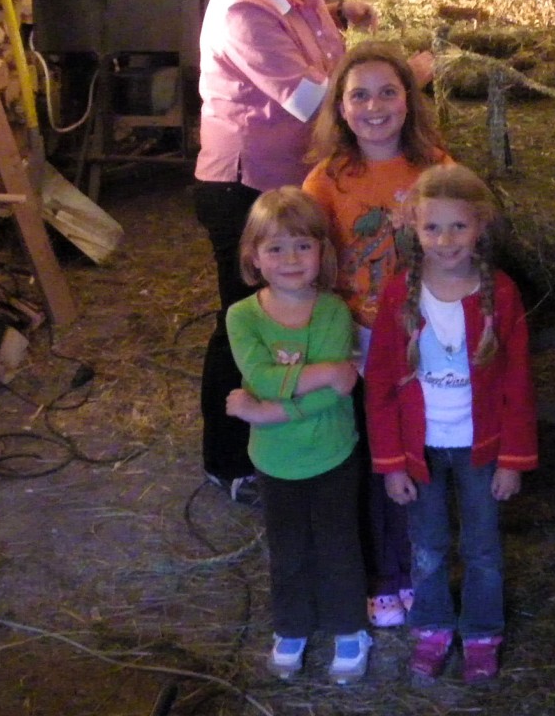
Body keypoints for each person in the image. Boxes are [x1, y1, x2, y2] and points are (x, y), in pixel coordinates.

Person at [193, 0, 375, 501]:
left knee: (292, 308)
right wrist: (394, 77)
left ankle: (304, 425)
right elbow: (306, 97)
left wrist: (336, 13)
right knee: (240, 319)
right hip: (243, 188)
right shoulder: (242, 6)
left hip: (294, 177)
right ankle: (227, 457)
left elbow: (315, 39)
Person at [364, 163, 538, 683]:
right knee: (429, 546)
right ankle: (433, 627)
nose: (445, 240)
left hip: (480, 449)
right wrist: (392, 463)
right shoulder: (400, 294)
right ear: (414, 229)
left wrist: (513, 458)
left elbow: (517, 382)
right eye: (432, 227)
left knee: (483, 547)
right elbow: (381, 384)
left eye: (458, 227)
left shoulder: (500, 294)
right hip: (421, 451)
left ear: (480, 226)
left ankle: (483, 630)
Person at [303, 40, 449, 629]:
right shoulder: (327, 180)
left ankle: (417, 567)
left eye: (388, 91)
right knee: (368, 460)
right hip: (356, 341)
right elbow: (313, 267)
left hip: (418, 338)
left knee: (416, 454)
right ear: (340, 107)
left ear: (409, 101)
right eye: (358, 94)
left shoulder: (435, 168)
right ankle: (379, 575)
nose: (374, 106)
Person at [223, 187, 372, 684]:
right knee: (286, 547)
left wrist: (264, 414)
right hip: (275, 462)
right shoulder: (242, 316)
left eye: (303, 246)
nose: (291, 259)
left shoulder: (331, 311)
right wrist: (325, 371)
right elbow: (262, 375)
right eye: (275, 248)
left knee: (337, 543)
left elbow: (339, 392)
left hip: (332, 454)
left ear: (322, 253)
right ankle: (292, 625)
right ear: (254, 257)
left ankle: (350, 626)